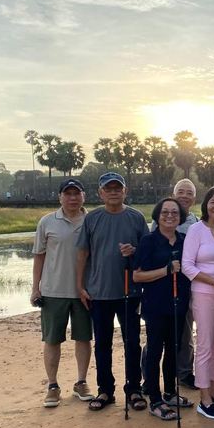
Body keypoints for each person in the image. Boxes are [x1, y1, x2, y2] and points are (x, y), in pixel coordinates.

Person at [75, 172, 149, 412]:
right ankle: (105, 390)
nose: (114, 192)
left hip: (130, 291)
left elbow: (148, 254)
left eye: (118, 188)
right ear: (100, 193)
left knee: (132, 343)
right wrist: (80, 286)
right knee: (102, 344)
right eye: (109, 189)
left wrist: (134, 251)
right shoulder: (92, 218)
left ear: (125, 191)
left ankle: (134, 388)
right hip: (99, 292)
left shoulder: (136, 217)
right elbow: (83, 254)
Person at [31, 178, 93, 408]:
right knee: (52, 339)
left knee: (84, 337)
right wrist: (35, 288)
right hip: (53, 291)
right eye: (67, 194)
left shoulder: (92, 220)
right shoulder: (47, 222)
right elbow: (39, 256)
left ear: (84, 196)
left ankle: (81, 382)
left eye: (77, 193)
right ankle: (53, 386)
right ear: (60, 197)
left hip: (84, 291)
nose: (72, 198)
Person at [134, 198, 193, 421]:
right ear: (157, 215)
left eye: (175, 213)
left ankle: (170, 392)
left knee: (174, 350)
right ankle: (155, 399)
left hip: (179, 304)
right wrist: (166, 270)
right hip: (155, 305)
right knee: (155, 351)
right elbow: (137, 275)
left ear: (181, 217)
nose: (170, 216)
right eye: (165, 212)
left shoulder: (184, 240)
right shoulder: (149, 241)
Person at [181, 186, 214, 419]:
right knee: (204, 346)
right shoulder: (196, 230)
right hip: (204, 293)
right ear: (205, 205)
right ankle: (204, 398)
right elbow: (187, 266)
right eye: (213, 202)